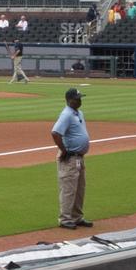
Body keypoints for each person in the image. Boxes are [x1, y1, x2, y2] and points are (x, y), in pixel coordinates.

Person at [53, 88, 92, 229]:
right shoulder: (66, 115)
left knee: (80, 189)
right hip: (70, 158)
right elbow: (55, 133)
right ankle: (65, 219)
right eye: (77, 98)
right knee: (69, 189)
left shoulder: (78, 113)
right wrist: (64, 150)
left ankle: (77, 217)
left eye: (80, 98)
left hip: (79, 158)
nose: (80, 100)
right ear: (69, 100)